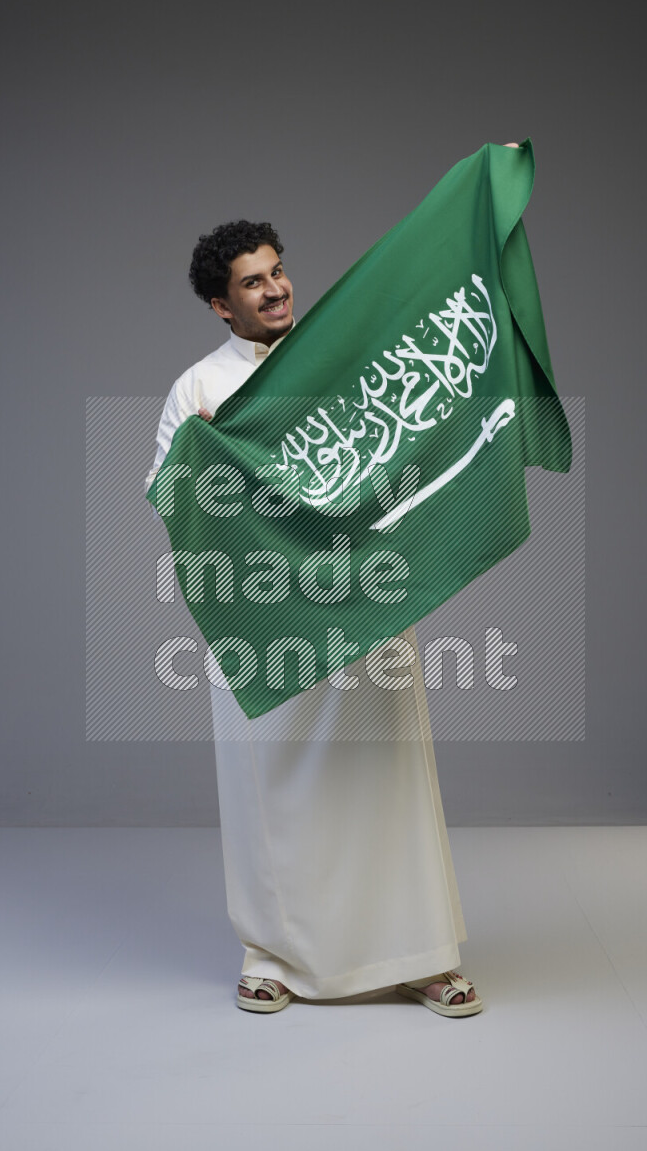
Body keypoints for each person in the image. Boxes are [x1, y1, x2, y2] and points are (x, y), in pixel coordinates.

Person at [145, 219, 482, 1017]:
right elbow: (165, 494)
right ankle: (273, 954)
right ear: (221, 307)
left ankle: (422, 955)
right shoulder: (196, 390)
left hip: (364, 598)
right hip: (265, 619)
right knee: (271, 789)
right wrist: (206, 460)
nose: (276, 288)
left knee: (386, 775)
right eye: (253, 282)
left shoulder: (342, 360)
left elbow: (399, 443)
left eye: (279, 271)